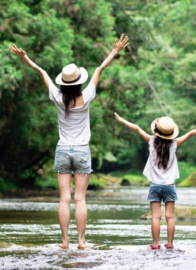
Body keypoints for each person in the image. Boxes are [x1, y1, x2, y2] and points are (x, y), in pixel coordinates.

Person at [9, 34, 129, 249]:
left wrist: (25, 57)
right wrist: (115, 51)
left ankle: (65, 242)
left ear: (63, 83)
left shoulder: (56, 96)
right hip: (82, 150)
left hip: (63, 150)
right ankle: (81, 242)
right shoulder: (87, 95)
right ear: (79, 81)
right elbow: (100, 69)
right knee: (80, 199)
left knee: (64, 199)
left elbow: (42, 72)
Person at [114, 113, 196, 249]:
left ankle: (155, 244)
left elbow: (137, 128)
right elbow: (191, 133)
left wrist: (122, 120)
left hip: (154, 186)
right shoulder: (174, 144)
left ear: (156, 131)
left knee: (155, 217)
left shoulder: (151, 141)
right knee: (170, 217)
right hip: (169, 186)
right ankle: (170, 243)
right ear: (171, 133)